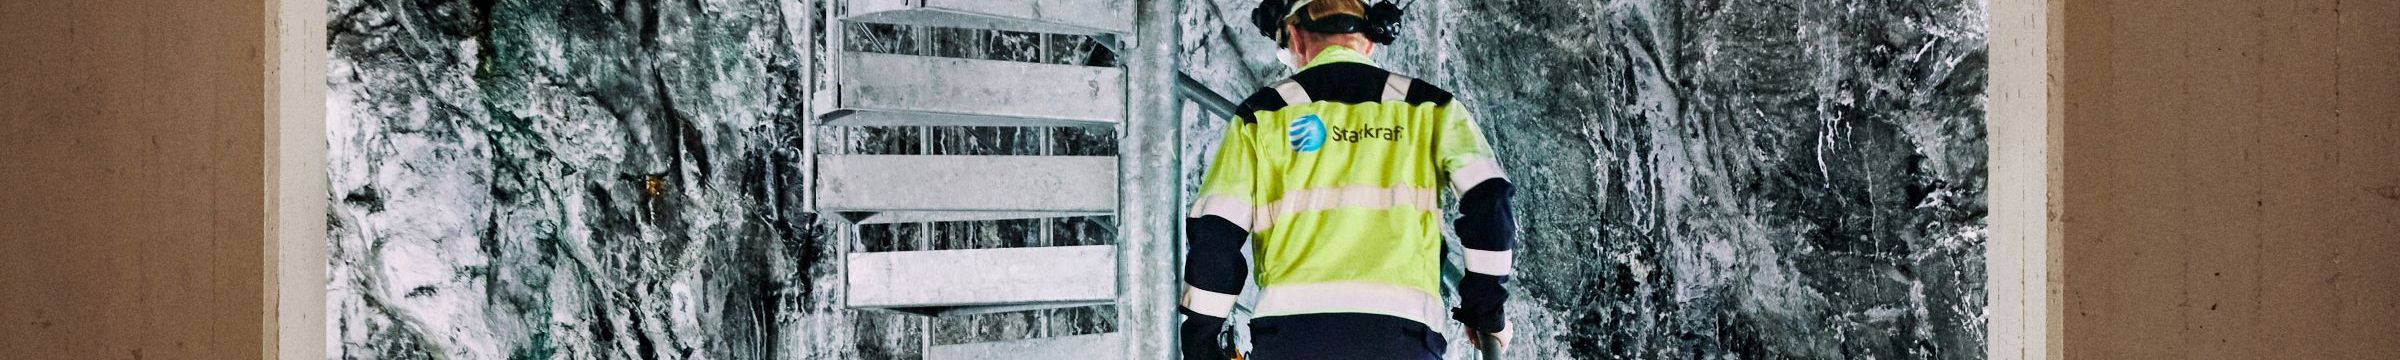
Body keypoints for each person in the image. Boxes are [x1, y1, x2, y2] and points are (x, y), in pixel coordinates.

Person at [1179, 0, 1519, 358]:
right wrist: (1485, 313)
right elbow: (1490, 198)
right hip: (1401, 338)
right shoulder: (1431, 108)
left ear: (1295, 39)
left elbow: (1217, 233)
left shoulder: (1261, 116)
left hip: (1291, 338)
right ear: (1370, 41)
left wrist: (1201, 341)